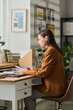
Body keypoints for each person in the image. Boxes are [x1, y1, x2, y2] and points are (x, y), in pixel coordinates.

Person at [19, 29, 68, 110]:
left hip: (54, 89)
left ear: (46, 38)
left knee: (27, 94)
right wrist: (32, 70)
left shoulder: (51, 51)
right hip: (60, 87)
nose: (38, 42)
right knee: (29, 90)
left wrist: (26, 72)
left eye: (39, 39)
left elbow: (44, 73)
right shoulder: (54, 49)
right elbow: (46, 69)